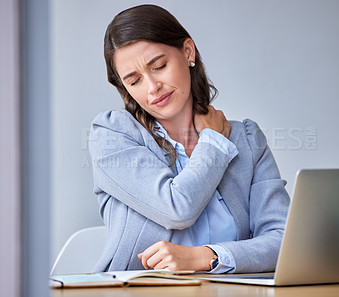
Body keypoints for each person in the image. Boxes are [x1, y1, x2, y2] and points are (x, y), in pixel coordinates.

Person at [89, 4, 290, 274]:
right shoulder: (113, 135)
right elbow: (177, 209)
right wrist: (213, 143)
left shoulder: (247, 138)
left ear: (187, 52)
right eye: (134, 81)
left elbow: (283, 239)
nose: (152, 87)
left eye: (159, 66)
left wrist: (208, 256)